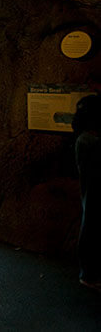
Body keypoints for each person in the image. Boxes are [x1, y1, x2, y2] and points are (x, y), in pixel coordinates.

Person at [72, 94, 101, 290]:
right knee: (91, 222)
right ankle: (89, 275)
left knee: (90, 220)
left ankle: (89, 273)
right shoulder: (90, 141)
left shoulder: (85, 138)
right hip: (94, 188)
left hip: (91, 188)